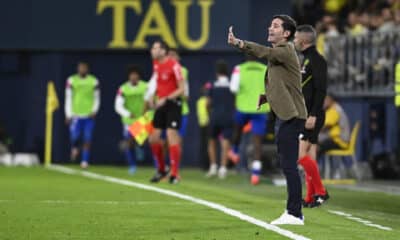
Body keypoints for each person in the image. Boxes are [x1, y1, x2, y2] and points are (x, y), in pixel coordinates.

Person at [228, 15, 307, 225]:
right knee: (287, 164)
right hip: (286, 114)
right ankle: (294, 211)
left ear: (286, 33)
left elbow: (265, 52)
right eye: (270, 24)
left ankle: (294, 213)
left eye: (275, 26)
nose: (270, 28)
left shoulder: (284, 50)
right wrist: (267, 96)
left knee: (289, 166)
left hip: (291, 116)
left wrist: (240, 43)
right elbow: (284, 82)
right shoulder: (283, 54)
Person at [294, 25, 329, 208]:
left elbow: (321, 90)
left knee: (299, 156)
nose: (294, 41)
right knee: (310, 156)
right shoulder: (307, 59)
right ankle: (311, 197)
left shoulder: (317, 60)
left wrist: (313, 114)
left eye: (296, 38)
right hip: (307, 114)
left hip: (312, 115)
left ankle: (321, 191)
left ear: (304, 40)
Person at [144, 40, 185, 184]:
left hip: (173, 104)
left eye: (155, 48)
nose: (152, 50)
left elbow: (182, 89)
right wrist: (151, 97)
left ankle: (174, 174)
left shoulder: (174, 65)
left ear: (163, 51)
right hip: (161, 104)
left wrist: (166, 99)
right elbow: (158, 82)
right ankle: (162, 169)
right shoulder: (156, 65)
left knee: (171, 135)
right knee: (153, 138)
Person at [229, 54, 269, 185]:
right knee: (257, 143)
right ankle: (255, 174)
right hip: (260, 109)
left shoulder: (238, 69)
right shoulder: (265, 69)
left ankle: (234, 151)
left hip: (243, 107)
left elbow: (233, 88)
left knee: (237, 128)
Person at [65, 62, 100, 169]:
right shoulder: (71, 80)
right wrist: (68, 114)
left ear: (87, 69)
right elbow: (68, 97)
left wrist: (95, 110)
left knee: (87, 138)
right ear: (77, 69)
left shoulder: (94, 81)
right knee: (75, 137)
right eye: (80, 68)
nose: (82, 70)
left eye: (84, 68)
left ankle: (84, 161)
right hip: (75, 115)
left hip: (89, 115)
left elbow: (97, 97)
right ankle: (74, 148)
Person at [114, 65, 148, 174]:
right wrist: (128, 113)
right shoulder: (123, 88)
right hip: (128, 121)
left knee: (141, 142)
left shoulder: (145, 86)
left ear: (138, 76)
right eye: (131, 75)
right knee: (129, 142)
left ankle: (140, 147)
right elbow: (117, 106)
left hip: (142, 119)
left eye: (135, 75)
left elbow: (151, 100)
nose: (133, 77)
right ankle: (132, 166)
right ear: (129, 77)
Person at [205, 60, 235, 179]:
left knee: (212, 141)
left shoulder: (212, 84)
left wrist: (209, 113)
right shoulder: (231, 84)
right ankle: (223, 168)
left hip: (215, 116)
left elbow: (207, 103)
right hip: (228, 116)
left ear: (217, 72)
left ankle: (213, 167)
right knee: (225, 142)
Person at [168, 49, 190, 137]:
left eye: (173, 55)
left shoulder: (183, 71)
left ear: (178, 58)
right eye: (169, 55)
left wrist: (178, 92)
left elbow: (186, 96)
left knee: (177, 140)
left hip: (181, 111)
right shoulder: (160, 69)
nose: (170, 57)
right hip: (162, 111)